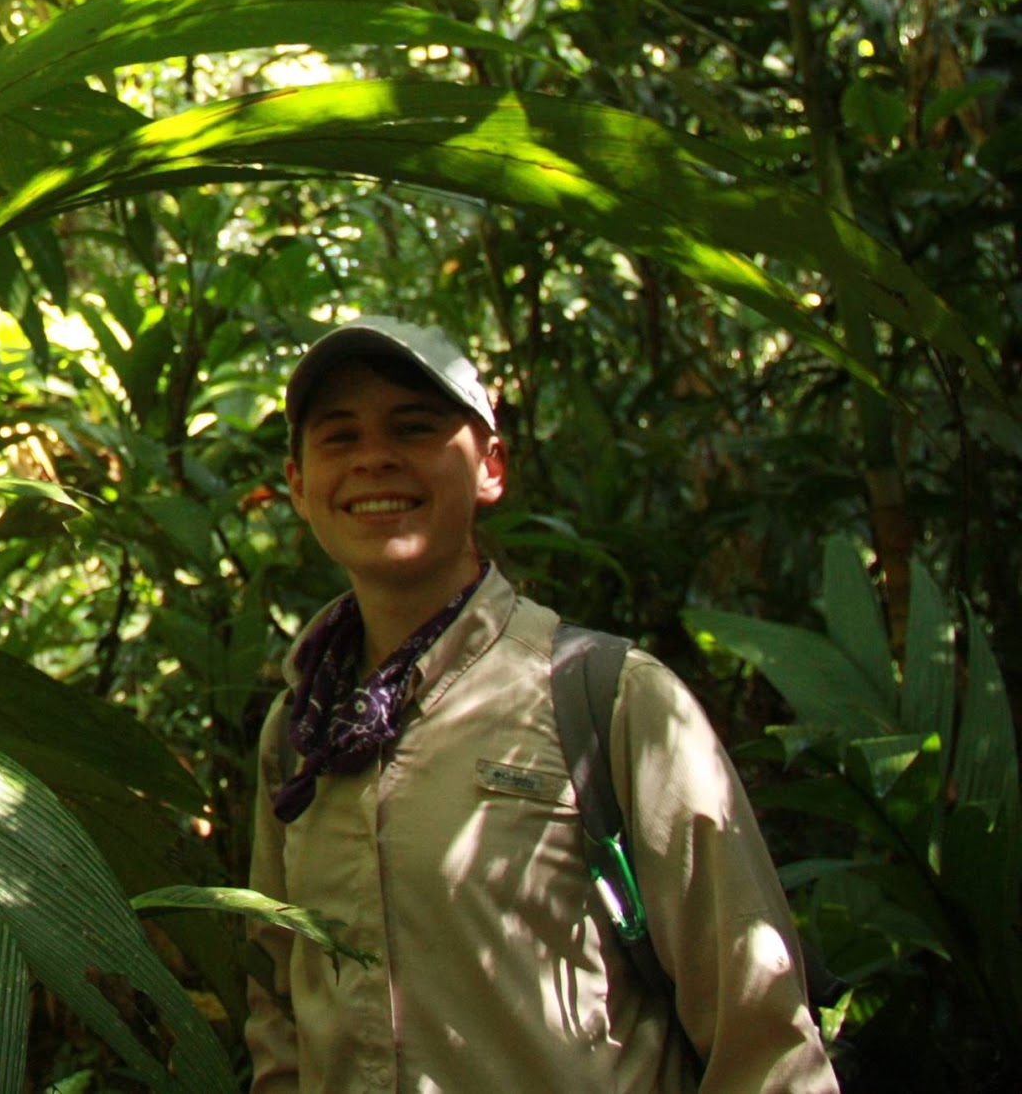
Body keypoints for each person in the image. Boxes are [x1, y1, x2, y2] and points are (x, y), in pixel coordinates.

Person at [243, 317, 836, 1094]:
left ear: (491, 466)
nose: (374, 457)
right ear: (297, 483)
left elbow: (762, 1041)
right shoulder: (300, 735)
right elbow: (279, 1008)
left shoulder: (608, 698)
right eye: (339, 436)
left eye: (414, 427)